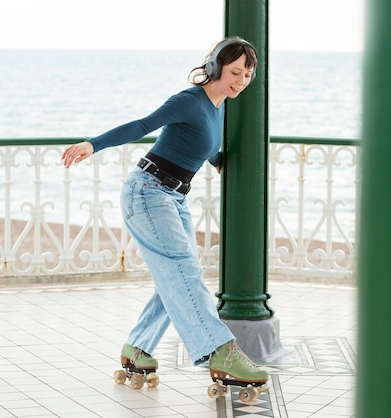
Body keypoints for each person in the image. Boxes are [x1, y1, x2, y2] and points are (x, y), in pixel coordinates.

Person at [62, 37, 268, 385]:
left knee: (174, 278)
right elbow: (142, 126)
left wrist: (220, 161)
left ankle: (138, 348)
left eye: (248, 75)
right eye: (235, 72)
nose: (241, 81)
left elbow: (201, 147)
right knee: (182, 271)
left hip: (174, 197)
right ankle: (222, 350)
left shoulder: (219, 107)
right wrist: (91, 144)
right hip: (147, 192)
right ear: (216, 67)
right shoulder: (189, 100)